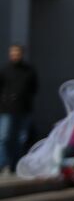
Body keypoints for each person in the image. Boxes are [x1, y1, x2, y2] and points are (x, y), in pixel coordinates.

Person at [0, 43, 38, 173]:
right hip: (6, 109)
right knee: (4, 137)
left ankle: (16, 164)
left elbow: (34, 88)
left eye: (17, 53)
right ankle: (3, 163)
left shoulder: (29, 71)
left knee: (21, 138)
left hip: (24, 109)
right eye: (12, 53)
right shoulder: (5, 70)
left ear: (22, 54)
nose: (15, 55)